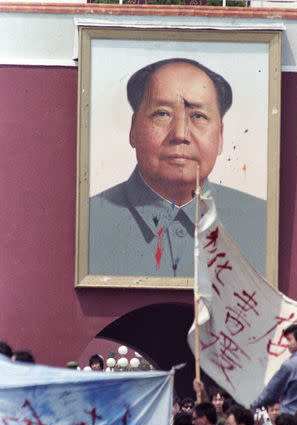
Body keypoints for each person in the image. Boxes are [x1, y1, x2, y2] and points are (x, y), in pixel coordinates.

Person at [89, 58, 266, 278]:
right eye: (162, 114)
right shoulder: (88, 222)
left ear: (220, 136)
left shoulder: (262, 223)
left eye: (198, 116)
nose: (180, 134)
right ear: (133, 129)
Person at [252, 308, 297, 414]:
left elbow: (272, 391)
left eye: (289, 339)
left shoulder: (290, 365)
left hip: (290, 417)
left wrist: (255, 405)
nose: (287, 344)